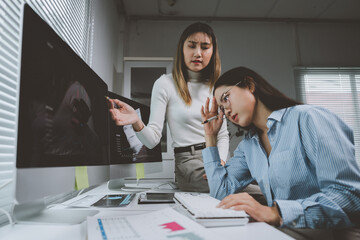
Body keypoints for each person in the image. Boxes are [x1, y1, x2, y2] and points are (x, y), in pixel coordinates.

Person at [201, 66, 360, 230]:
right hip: (285, 233)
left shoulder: (308, 118)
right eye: (221, 108)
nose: (226, 111)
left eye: (226, 98)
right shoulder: (248, 147)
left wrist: (276, 213)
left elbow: (350, 195)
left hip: (333, 233)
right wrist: (210, 136)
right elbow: (220, 193)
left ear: (249, 85)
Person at [109, 22, 229, 192]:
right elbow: (151, 141)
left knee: (250, 182)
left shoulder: (216, 87)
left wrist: (221, 163)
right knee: (240, 188)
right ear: (182, 48)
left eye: (205, 47)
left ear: (213, 51)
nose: (198, 53)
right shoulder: (165, 83)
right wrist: (136, 121)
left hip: (218, 157)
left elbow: (223, 135)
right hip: (189, 164)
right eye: (192, 46)